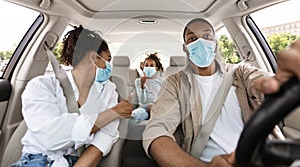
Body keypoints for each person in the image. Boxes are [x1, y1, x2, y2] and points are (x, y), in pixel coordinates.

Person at [142, 18, 276, 167]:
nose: (200, 43)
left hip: (258, 158)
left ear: (216, 43)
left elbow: (268, 83)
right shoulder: (175, 83)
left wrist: (280, 82)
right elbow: (157, 130)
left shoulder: (240, 72)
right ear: (185, 48)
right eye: (192, 39)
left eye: (206, 37)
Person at [12, 25, 134, 167]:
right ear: (94, 57)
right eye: (107, 59)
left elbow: (106, 135)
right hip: (37, 160)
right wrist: (112, 113)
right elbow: (51, 137)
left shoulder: (109, 90)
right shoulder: (42, 86)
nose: (108, 65)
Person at [131, 53, 164, 123]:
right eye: (146, 65)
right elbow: (142, 101)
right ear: (143, 67)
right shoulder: (138, 81)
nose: (149, 67)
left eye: (152, 65)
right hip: (144, 108)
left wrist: (155, 107)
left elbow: (164, 98)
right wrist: (142, 86)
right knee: (134, 116)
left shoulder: (162, 81)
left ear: (156, 68)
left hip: (158, 108)